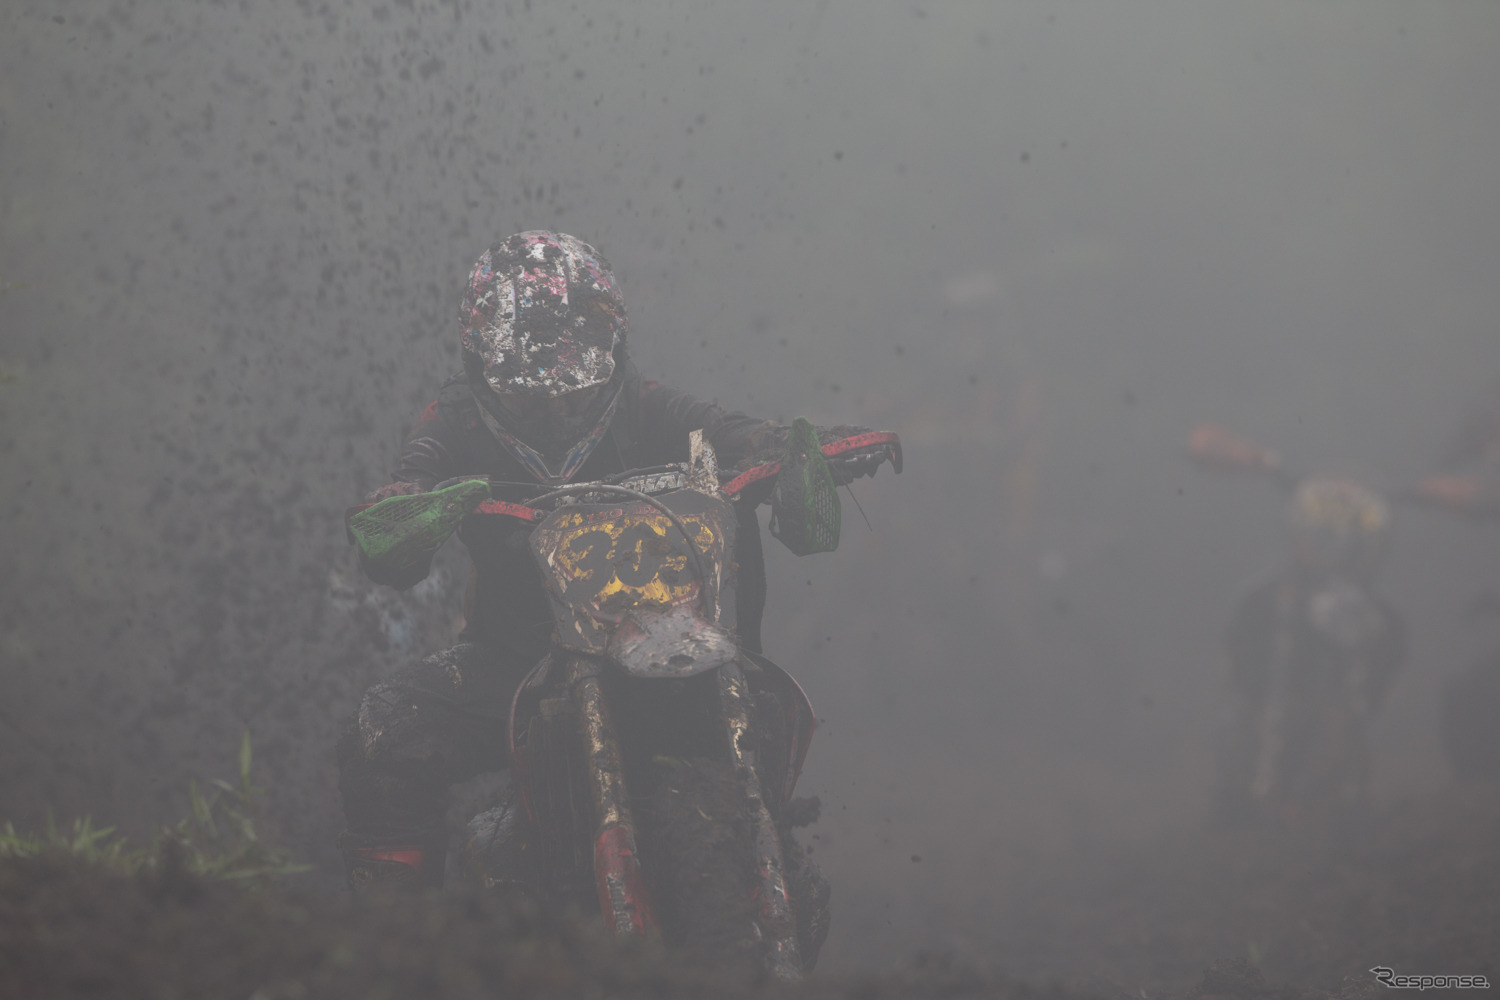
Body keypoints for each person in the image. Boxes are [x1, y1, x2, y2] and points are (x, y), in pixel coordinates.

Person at [337, 231, 879, 889]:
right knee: (385, 728)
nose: (556, 405)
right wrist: (404, 507)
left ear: (611, 353)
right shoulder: (455, 421)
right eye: (529, 389)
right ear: (481, 366)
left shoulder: (648, 406)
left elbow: (738, 434)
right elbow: (409, 488)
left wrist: (807, 448)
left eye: (573, 380)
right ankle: (391, 951)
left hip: (671, 643)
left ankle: (768, 860)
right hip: (521, 662)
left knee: (757, 710)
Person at [1214, 477, 1407, 825]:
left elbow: (1377, 690)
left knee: (1336, 753)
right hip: (1263, 727)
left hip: (1333, 743)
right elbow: (1240, 673)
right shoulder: (1263, 600)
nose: (1334, 550)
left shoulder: (1381, 618)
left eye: (1346, 540)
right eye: (1321, 536)